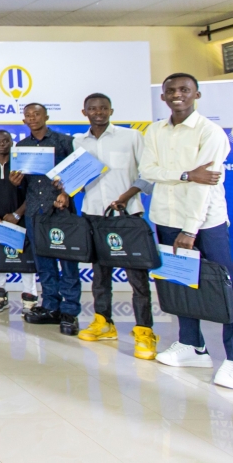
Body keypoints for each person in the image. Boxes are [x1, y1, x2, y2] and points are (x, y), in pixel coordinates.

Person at [141, 73, 233, 388]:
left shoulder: (211, 133)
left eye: (184, 90)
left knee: (225, 288)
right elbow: (148, 171)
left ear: (196, 94)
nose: (177, 94)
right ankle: (192, 345)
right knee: (179, 283)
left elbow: (203, 187)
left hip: (205, 223)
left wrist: (190, 230)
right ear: (163, 97)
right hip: (166, 219)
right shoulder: (154, 131)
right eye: (171, 91)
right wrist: (184, 174)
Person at [73, 94, 157, 359]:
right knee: (100, 276)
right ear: (84, 112)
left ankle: (144, 330)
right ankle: (103, 322)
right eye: (92, 109)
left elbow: (148, 175)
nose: (98, 113)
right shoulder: (78, 141)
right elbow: (73, 178)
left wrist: (125, 197)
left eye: (103, 108)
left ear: (111, 110)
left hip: (127, 215)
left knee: (138, 279)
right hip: (93, 216)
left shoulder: (131, 137)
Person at [13, 103, 79, 335]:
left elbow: (77, 175)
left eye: (36, 114)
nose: (32, 118)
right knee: (44, 264)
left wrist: (66, 192)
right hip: (35, 211)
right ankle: (51, 306)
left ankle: (70, 311)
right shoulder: (21, 147)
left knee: (68, 262)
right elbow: (22, 183)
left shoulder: (64, 142)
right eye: (28, 115)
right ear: (24, 120)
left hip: (61, 211)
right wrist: (16, 181)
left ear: (46, 116)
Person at [0, 130, 30, 313]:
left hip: (20, 219)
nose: (2, 144)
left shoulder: (21, 164)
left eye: (6, 140)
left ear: (11, 142)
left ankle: (29, 298)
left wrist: (17, 214)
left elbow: (32, 192)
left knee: (26, 259)